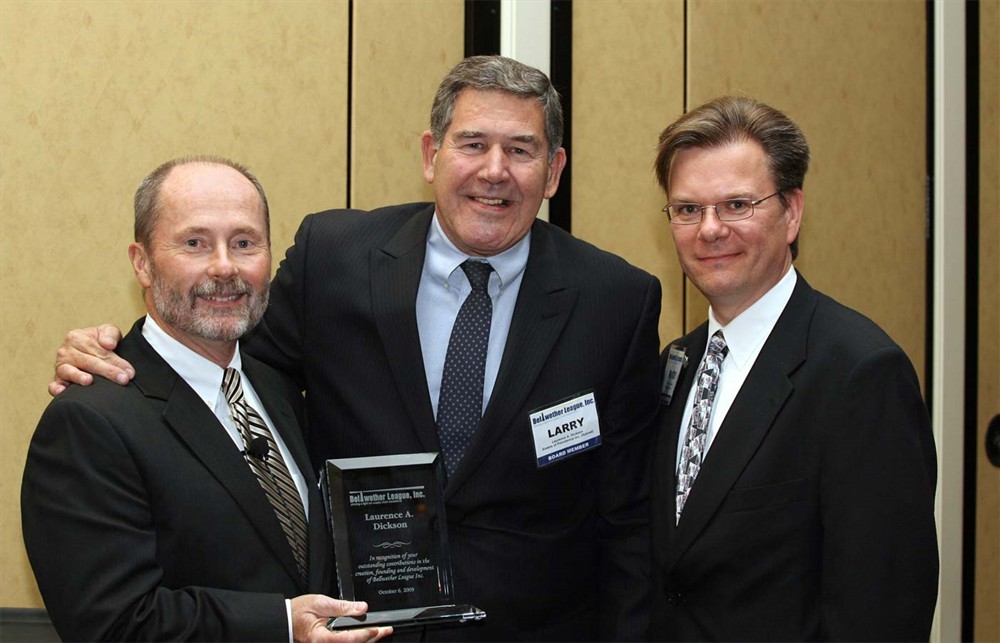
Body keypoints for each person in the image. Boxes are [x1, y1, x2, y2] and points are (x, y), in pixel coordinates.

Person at [48, 56, 662, 641]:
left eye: (520, 150)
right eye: (472, 144)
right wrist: (115, 353)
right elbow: (222, 342)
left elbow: (628, 519)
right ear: (431, 154)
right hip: (354, 629)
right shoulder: (334, 257)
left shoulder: (616, 300)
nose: (494, 170)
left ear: (554, 171)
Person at [22, 157, 391, 643]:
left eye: (244, 243)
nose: (224, 266)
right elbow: (111, 625)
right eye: (194, 243)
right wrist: (281, 625)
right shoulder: (88, 421)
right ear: (142, 262)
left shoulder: (279, 389)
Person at [648, 96, 939, 641]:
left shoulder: (861, 375)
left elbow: (883, 609)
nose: (709, 229)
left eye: (737, 204)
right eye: (688, 209)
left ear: (793, 212)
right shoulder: (678, 362)